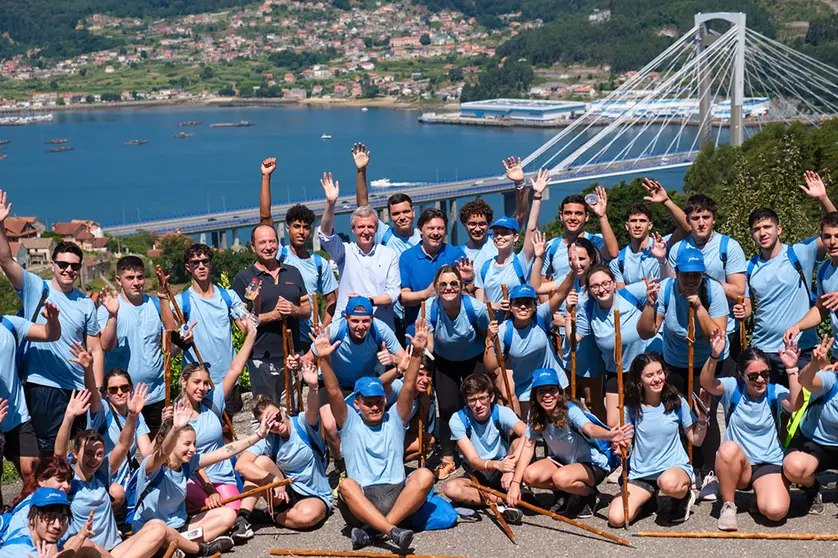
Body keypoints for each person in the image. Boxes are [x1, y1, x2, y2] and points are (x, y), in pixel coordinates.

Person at [0, 191, 104, 459]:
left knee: (82, 450)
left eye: (74, 266)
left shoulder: (85, 303)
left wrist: (98, 391)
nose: (68, 270)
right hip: (43, 385)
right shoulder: (36, 286)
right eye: (63, 265)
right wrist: (1, 225)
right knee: (48, 452)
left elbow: (95, 348)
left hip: (78, 385)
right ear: (52, 264)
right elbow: (5, 260)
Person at [316, 320, 434, 551]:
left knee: (425, 475)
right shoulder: (349, 421)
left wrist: (418, 352)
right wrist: (323, 359)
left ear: (384, 400)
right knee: (347, 485)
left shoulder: (396, 419)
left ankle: (374, 532)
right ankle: (391, 531)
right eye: (367, 402)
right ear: (357, 403)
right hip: (363, 500)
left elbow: (409, 385)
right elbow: (333, 391)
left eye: (378, 401)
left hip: (397, 494)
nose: (374, 407)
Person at [638, 245, 730, 497]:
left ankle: (709, 471)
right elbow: (646, 331)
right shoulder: (667, 289)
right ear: (676, 272)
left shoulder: (714, 292)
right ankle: (685, 467)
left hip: (710, 359)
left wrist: (699, 307)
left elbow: (715, 335)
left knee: (704, 411)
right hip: (676, 359)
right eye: (686, 274)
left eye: (696, 275)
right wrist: (650, 304)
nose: (690, 280)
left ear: (702, 274)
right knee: (679, 411)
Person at [132, 400, 273, 557]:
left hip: (181, 528)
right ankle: (190, 547)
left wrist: (258, 435)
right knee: (160, 533)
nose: (193, 449)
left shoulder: (188, 463)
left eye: (194, 444)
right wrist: (175, 429)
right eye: (187, 444)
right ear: (171, 443)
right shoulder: (151, 465)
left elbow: (225, 452)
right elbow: (162, 453)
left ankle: (179, 545)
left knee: (228, 515)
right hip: (152, 532)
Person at [700, 329, 804, 531]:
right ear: (741, 375)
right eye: (753, 375)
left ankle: (760, 497)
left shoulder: (774, 391)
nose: (760, 380)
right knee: (727, 448)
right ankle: (728, 505)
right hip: (739, 466)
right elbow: (706, 382)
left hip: (768, 463)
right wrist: (714, 355)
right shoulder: (733, 388)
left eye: (765, 374)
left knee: (775, 512)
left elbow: (795, 404)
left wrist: (792, 370)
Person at [740, 175, 835, 383]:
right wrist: (742, 311)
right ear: (752, 235)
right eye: (756, 229)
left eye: (767, 227)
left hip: (802, 349)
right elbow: (749, 308)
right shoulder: (749, 267)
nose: (762, 233)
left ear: (779, 229)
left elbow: (833, 230)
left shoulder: (800, 253)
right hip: (763, 351)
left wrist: (823, 199)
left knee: (806, 409)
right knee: (772, 411)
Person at [54, 389, 167, 558]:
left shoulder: (101, 473)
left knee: (157, 527)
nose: (94, 459)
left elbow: (123, 444)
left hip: (114, 550)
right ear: (76, 453)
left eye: (99, 454)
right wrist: (69, 416)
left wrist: (132, 415)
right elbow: (59, 454)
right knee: (85, 543)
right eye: (89, 453)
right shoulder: (68, 480)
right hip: (86, 551)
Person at [506, 368, 632, 519]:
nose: (547, 395)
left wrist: (609, 434)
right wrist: (515, 483)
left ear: (559, 392)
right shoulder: (535, 413)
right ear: (534, 395)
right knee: (529, 475)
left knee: (561, 478)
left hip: (592, 463)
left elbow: (589, 429)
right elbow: (528, 446)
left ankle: (591, 495)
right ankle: (567, 493)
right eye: (541, 391)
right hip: (563, 462)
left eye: (551, 390)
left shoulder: (570, 410)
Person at [173, 318, 258, 540]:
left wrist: (251, 334)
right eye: (196, 382)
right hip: (192, 478)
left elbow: (235, 369)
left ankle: (194, 534)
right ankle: (189, 535)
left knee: (230, 512)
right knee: (217, 512)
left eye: (205, 382)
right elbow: (186, 461)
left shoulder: (213, 401)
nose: (202, 388)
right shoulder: (176, 414)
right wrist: (208, 488)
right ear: (184, 382)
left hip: (222, 475)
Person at [299, 296, 405, 465]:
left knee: (364, 423)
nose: (360, 326)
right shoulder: (334, 330)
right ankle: (342, 463)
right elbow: (307, 358)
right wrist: (297, 362)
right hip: (333, 383)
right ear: (346, 318)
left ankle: (365, 460)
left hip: (363, 384)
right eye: (355, 321)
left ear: (372, 319)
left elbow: (405, 360)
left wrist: (392, 358)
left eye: (365, 321)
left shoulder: (380, 330)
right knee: (331, 426)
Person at [607, 353, 708, 527]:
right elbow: (628, 442)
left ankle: (684, 496)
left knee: (667, 482)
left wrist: (702, 420)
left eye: (659, 373)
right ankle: (648, 499)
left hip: (673, 468)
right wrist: (622, 448)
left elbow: (696, 440)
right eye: (650, 375)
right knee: (616, 519)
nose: (657, 379)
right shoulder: (631, 408)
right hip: (642, 473)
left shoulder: (677, 402)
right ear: (639, 380)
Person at [235, 361, 330, 531]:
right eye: (270, 424)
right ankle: (243, 517)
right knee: (260, 462)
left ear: (282, 411)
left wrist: (313, 387)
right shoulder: (270, 437)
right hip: (283, 492)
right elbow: (241, 465)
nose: (276, 425)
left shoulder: (301, 424)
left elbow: (313, 411)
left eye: (277, 418)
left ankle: (268, 516)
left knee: (308, 517)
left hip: (313, 493)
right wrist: (275, 480)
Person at [232, 203, 310, 408]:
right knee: (265, 415)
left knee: (294, 412)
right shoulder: (243, 279)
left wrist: (294, 311)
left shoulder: (292, 272)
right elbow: (242, 325)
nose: (268, 246)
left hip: (292, 356)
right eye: (262, 242)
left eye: (272, 241)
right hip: (261, 359)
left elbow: (307, 310)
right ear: (253, 247)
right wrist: (274, 316)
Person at [257, 157, 339, 350]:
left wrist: (324, 327)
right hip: (282, 334)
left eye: (305, 227)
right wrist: (265, 177)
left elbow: (331, 301)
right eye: (296, 226)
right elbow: (265, 218)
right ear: (287, 229)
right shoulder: (280, 255)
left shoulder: (320, 264)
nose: (301, 232)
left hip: (310, 339)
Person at [67, 343, 152, 515]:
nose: (120, 392)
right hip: (98, 474)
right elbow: (93, 395)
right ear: (106, 393)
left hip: (123, 476)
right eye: (113, 389)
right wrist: (88, 368)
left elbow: (147, 452)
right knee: (116, 493)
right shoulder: (103, 409)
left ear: (131, 389)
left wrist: (168, 427)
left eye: (124, 388)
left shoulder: (135, 413)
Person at [425, 265, 490, 480]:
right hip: (445, 359)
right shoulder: (430, 308)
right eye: (443, 284)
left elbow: (485, 334)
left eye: (454, 283)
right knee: (447, 406)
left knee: (478, 401)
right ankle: (448, 456)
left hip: (473, 357)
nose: (449, 288)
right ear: (436, 287)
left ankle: (480, 449)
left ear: (461, 285)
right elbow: (430, 345)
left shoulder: (476, 308)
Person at [576, 264, 662, 426]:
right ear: (588, 289)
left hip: (648, 369)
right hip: (617, 371)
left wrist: (661, 262)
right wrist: (567, 318)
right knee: (614, 423)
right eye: (595, 286)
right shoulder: (588, 310)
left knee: (647, 419)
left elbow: (665, 285)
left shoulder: (631, 294)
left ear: (614, 283)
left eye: (605, 283)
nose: (601, 289)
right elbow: (574, 339)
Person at [531, 235, 605, 419]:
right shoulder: (570, 279)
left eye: (581, 259)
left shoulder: (596, 284)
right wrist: (539, 257)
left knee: (592, 400)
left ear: (591, 259)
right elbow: (536, 287)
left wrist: (563, 319)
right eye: (572, 259)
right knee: (569, 398)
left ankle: (605, 436)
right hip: (567, 349)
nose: (576, 264)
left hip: (588, 348)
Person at [666, 194, 747, 361]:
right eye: (695, 218)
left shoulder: (729, 247)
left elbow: (739, 292)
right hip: (687, 332)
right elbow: (673, 290)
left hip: (725, 330)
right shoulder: (677, 250)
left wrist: (703, 280)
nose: (701, 223)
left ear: (714, 219)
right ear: (688, 220)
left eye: (706, 217)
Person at [352, 143, 419, 342]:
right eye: (396, 214)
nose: (402, 217)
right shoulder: (385, 234)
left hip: (418, 311)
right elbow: (363, 205)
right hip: (392, 314)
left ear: (413, 212)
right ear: (388, 217)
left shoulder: (423, 237)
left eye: (406, 212)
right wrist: (361, 170)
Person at [97, 255, 170, 436]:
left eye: (140, 277)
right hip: (121, 398)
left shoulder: (154, 305)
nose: (136, 283)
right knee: (124, 450)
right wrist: (113, 316)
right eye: (130, 278)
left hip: (155, 395)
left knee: (160, 448)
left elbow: (169, 346)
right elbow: (105, 345)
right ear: (118, 280)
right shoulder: (108, 308)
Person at [318, 172, 401, 330]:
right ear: (353, 229)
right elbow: (326, 235)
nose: (366, 231)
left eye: (370, 227)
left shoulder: (388, 255)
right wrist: (330, 203)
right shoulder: (344, 252)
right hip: (346, 327)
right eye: (361, 227)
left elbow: (394, 293)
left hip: (380, 328)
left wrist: (367, 301)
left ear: (376, 229)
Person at [442, 373, 526, 523]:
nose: (478, 405)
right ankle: (505, 499)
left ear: (491, 397)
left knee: (518, 442)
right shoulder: (458, 419)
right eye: (472, 400)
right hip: (478, 470)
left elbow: (527, 434)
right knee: (451, 489)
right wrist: (496, 465)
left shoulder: (501, 412)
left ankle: (492, 497)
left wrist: (509, 468)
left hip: (504, 467)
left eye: (482, 398)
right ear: (466, 401)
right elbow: (474, 460)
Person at [162, 244, 248, 390]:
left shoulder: (229, 297)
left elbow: (247, 331)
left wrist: (256, 304)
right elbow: (169, 347)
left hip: (230, 379)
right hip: (197, 383)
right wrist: (182, 340)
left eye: (205, 261)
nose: (201, 266)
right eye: (195, 263)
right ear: (188, 267)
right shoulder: (180, 303)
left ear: (211, 264)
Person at [484, 283, 567, 419]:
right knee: (533, 427)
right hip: (526, 388)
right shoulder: (504, 330)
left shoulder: (541, 316)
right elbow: (491, 367)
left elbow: (560, 294)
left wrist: (574, 270)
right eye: (518, 303)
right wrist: (489, 340)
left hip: (553, 381)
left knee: (558, 423)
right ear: (510, 307)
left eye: (528, 303)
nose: (523, 306)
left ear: (535, 306)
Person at [0, 303, 61, 480]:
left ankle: (32, 507)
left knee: (32, 473)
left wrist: (53, 321)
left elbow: (50, 334)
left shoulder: (9, 324)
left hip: (16, 418)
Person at [475, 168, 547, 309]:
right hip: (494, 327)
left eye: (505, 233)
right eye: (496, 233)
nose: (499, 237)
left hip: (517, 325)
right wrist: (494, 306)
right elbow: (479, 306)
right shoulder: (484, 268)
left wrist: (537, 196)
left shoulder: (521, 261)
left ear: (515, 237)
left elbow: (531, 227)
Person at [783, 333, 838, 515]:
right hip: (816, 442)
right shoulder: (832, 380)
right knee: (793, 466)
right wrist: (815, 364)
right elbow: (805, 381)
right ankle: (812, 487)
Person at [399, 208, 471, 334]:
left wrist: (468, 279)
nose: (436, 233)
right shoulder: (407, 257)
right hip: (418, 332)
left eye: (440, 228)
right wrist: (426, 293)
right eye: (431, 228)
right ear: (420, 230)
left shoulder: (455, 254)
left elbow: (467, 292)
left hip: (452, 332)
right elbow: (403, 297)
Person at [612, 181, 689, 287]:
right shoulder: (618, 261)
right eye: (634, 221)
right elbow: (622, 297)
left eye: (642, 221)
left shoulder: (663, 245)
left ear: (650, 225)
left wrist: (666, 201)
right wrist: (642, 288)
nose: (638, 225)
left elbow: (687, 228)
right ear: (627, 226)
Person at [785, 211, 838, 363]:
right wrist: (798, 327)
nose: (832, 242)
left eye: (837, 236)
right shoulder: (823, 271)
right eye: (827, 236)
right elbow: (821, 309)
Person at [542, 188, 619, 281]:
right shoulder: (551, 246)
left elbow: (613, 253)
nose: (573, 218)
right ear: (561, 216)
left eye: (578, 213)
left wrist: (602, 216)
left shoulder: (595, 240)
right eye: (568, 213)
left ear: (586, 217)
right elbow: (543, 284)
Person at [0, 487, 95, 558]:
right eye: (49, 517)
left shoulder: (24, 532)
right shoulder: (23, 552)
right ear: (32, 518)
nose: (57, 525)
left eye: (63, 518)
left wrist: (81, 535)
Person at [2, 456, 74, 544]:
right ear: (41, 480)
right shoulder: (31, 508)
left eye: (69, 481)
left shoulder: (52, 504)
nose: (66, 486)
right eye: (60, 480)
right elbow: (14, 540)